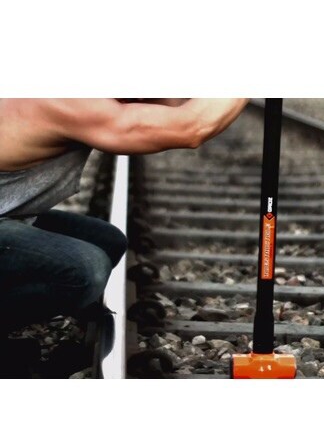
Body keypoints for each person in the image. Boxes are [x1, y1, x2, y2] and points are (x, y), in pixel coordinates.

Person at [0, 98, 248, 340]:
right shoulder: (69, 100)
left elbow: (169, 105)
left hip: (8, 214)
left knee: (106, 241)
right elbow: (191, 128)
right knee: (86, 270)